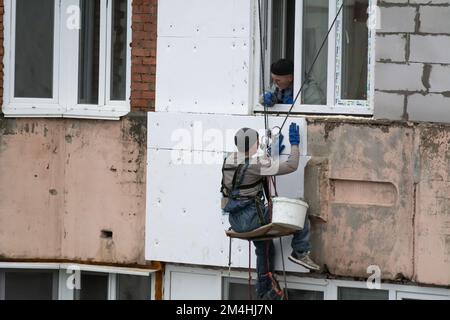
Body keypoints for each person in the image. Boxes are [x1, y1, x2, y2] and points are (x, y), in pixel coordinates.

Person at [221, 123, 320, 300]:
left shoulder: (228, 160)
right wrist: (294, 144)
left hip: (236, 220)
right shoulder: (257, 164)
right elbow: (291, 165)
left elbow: (250, 171)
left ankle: (265, 290)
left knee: (265, 247)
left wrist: (268, 153)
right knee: (300, 209)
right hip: (252, 219)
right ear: (254, 144)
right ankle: (300, 251)